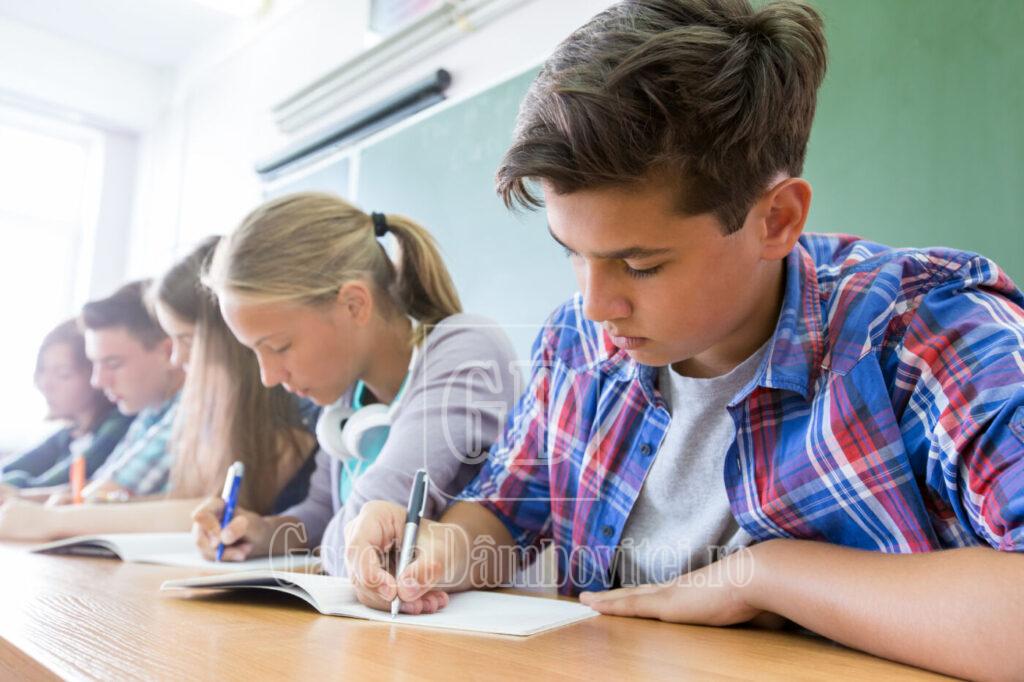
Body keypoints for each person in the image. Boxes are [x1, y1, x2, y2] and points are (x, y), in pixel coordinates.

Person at [341, 1, 1024, 679]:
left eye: (640, 265)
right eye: (570, 252)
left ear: (776, 221)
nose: (596, 304)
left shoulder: (930, 331)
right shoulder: (577, 343)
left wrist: (765, 575)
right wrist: (439, 548)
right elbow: (503, 509)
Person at [192, 192, 520, 567]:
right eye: (255, 352)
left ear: (354, 305)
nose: (268, 377)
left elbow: (361, 540)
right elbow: (321, 513)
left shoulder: (465, 350)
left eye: (279, 346)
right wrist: (261, 532)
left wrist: (330, 540)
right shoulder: (347, 393)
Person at [0, 239, 317, 540]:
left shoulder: (292, 410)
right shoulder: (206, 409)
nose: (177, 359)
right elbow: (188, 501)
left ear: (229, 338)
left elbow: (215, 511)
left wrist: (54, 521)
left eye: (186, 340)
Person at [0, 319, 132, 495]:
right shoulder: (68, 435)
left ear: (95, 374)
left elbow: (37, 489)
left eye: (63, 374)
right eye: (42, 371)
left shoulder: (118, 425)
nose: (45, 384)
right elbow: (8, 472)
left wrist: (13, 483)